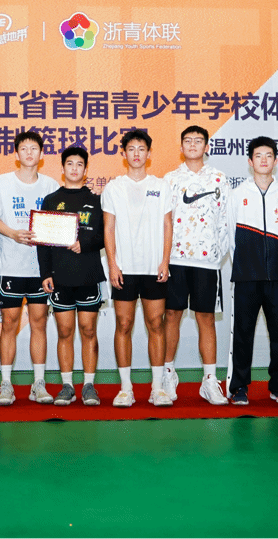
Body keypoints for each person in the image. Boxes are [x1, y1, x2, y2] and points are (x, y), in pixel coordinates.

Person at [102, 129, 173, 408]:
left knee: (156, 324)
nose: (136, 154)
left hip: (154, 267)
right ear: (123, 154)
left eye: (141, 149)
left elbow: (167, 225)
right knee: (124, 324)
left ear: (149, 154)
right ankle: (126, 388)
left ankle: (158, 388)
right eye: (131, 149)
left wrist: (165, 261)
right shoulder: (113, 188)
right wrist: (113, 264)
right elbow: (108, 228)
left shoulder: (162, 185)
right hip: (124, 269)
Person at [0, 131, 58, 406]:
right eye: (24, 148)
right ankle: (5, 384)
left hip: (40, 269)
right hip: (11, 267)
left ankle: (38, 384)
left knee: (39, 324)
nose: (29, 152)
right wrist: (13, 234)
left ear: (41, 154)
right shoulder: (2, 182)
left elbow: (57, 224)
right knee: (9, 324)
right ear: (16, 154)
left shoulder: (50, 185)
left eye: (34, 148)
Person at [226, 136, 278, 405]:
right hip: (246, 275)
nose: (264, 160)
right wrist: (243, 264)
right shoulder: (237, 194)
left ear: (276, 161)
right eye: (258, 155)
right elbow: (230, 236)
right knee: (243, 334)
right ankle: (239, 387)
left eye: (269, 155)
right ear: (250, 161)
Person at [163, 125, 230, 405]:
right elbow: (163, 221)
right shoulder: (169, 179)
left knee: (206, 319)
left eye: (198, 140)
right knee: (171, 315)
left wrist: (215, 254)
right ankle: (167, 374)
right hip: (175, 260)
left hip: (206, 263)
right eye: (188, 141)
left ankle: (209, 380)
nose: (193, 145)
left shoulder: (219, 178)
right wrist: (164, 258)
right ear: (181, 147)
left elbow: (226, 220)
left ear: (206, 146)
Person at [37, 146, 105, 406]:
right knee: (64, 331)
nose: (74, 168)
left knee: (88, 330)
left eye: (79, 164)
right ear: (62, 168)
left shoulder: (97, 200)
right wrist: (45, 273)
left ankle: (89, 385)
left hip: (88, 274)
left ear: (86, 170)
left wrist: (84, 244)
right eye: (70, 164)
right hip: (60, 276)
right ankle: (67, 386)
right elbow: (43, 242)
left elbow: (106, 236)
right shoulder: (51, 200)